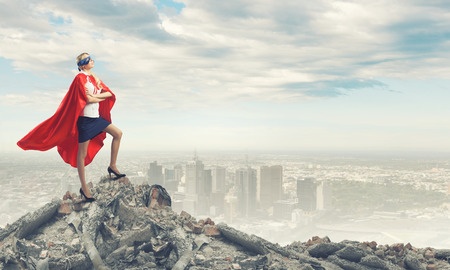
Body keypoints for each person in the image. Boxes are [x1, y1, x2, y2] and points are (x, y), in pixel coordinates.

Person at [17, 52, 125, 202]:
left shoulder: (94, 79)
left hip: (96, 118)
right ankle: (84, 189)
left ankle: (112, 166)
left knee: (118, 134)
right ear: (82, 65)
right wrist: (96, 97)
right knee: (81, 154)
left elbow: (108, 94)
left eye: (91, 58)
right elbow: (86, 99)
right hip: (85, 121)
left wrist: (97, 97)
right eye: (88, 59)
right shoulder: (79, 78)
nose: (92, 60)